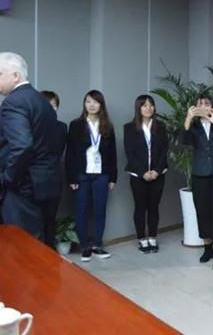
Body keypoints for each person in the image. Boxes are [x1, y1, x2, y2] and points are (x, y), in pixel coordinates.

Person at [0, 52, 60, 240]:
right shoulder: (41, 101)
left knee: (20, 245)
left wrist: (8, 179)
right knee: (36, 243)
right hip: (45, 183)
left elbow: (22, 146)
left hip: (22, 186)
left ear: (15, 76)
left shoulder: (14, 102)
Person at [181, 94, 213, 270]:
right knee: (203, 211)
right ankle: (207, 248)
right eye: (200, 103)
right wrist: (188, 118)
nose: (203, 106)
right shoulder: (194, 127)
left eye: (207, 103)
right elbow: (184, 140)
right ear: (195, 107)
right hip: (200, 173)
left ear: (212, 106)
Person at [66, 90, 117, 262]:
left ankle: (97, 245)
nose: (92, 105)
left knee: (100, 210)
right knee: (81, 210)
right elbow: (70, 153)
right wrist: (72, 178)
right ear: (84, 104)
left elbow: (113, 153)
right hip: (82, 174)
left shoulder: (107, 126)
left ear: (101, 105)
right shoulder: (76, 125)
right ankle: (85, 247)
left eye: (95, 102)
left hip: (102, 174)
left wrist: (113, 178)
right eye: (88, 101)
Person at [124, 95, 169, 254]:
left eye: (151, 105)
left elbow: (164, 151)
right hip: (138, 175)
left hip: (158, 174)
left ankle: (152, 237)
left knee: (154, 207)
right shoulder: (129, 128)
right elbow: (130, 153)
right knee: (140, 207)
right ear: (138, 108)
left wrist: (156, 171)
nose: (148, 108)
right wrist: (143, 172)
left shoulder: (161, 126)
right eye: (144, 105)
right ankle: (142, 238)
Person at [40, 90, 68, 249]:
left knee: (50, 219)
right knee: (34, 221)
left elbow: (57, 152)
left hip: (53, 178)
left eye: (53, 105)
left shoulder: (62, 127)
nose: (50, 108)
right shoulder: (30, 125)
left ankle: (49, 253)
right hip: (32, 181)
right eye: (46, 105)